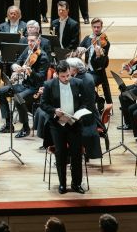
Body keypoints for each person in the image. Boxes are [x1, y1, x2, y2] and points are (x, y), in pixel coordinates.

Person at [40, 60, 92, 194]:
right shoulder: (49, 84)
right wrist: (54, 111)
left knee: (76, 154)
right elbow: (43, 104)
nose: (66, 78)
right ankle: (62, 184)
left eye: (68, 75)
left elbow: (85, 102)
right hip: (57, 125)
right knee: (61, 154)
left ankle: (76, 184)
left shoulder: (78, 83)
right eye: (63, 76)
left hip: (74, 123)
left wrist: (79, 113)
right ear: (57, 74)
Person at [0, 32, 49, 137]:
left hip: (35, 88)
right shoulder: (27, 51)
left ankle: (25, 127)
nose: (30, 43)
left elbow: (40, 78)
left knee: (18, 99)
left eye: (32, 41)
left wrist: (30, 72)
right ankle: (8, 124)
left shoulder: (43, 57)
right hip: (24, 85)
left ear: (38, 41)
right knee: (0, 92)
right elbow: (17, 62)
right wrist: (15, 67)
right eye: (28, 41)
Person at [78, 18, 112, 104]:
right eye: (94, 27)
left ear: (101, 27)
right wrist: (80, 50)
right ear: (91, 27)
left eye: (98, 27)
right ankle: (98, 99)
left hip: (98, 73)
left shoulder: (105, 43)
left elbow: (102, 63)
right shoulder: (87, 38)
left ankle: (92, 103)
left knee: (86, 83)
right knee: (76, 81)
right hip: (87, 71)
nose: (96, 29)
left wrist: (98, 55)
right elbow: (78, 49)